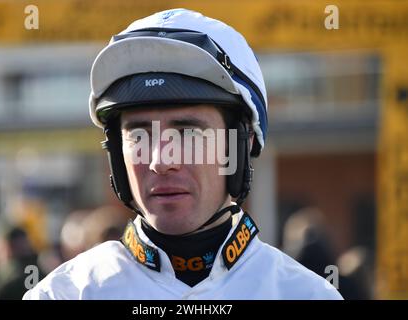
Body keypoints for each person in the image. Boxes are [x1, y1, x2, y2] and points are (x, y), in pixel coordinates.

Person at [23, 8, 342, 299]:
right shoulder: (62, 295)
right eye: (139, 134)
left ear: (240, 146)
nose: (161, 161)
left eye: (188, 132)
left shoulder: (307, 295)